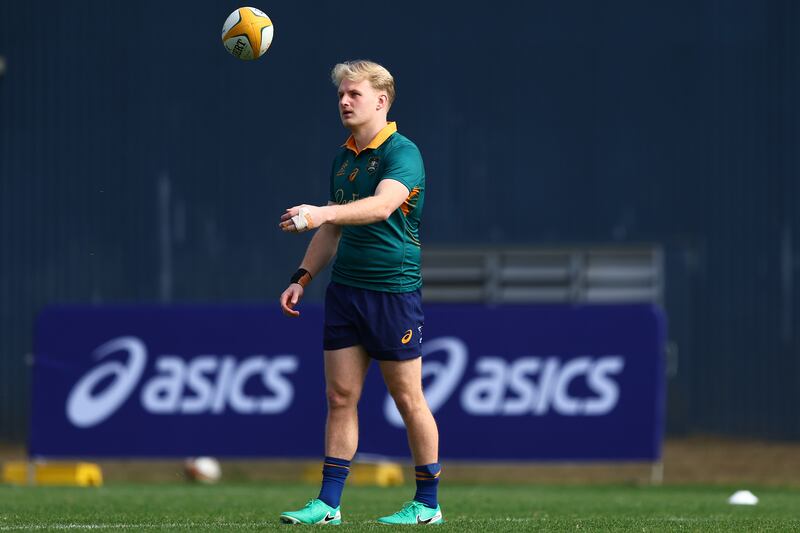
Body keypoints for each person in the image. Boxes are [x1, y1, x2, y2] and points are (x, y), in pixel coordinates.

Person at [277, 60, 442, 526]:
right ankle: (328, 504)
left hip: (392, 292)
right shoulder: (344, 158)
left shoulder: (402, 152)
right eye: (340, 96)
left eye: (354, 94)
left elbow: (382, 206)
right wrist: (302, 276)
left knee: (409, 399)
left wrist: (321, 213)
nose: (344, 102)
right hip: (346, 290)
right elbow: (331, 229)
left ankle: (427, 505)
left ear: (381, 100)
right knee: (339, 397)